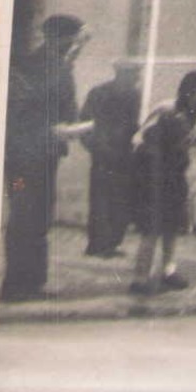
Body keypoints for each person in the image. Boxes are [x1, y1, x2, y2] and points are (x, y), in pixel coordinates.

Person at [0, 14, 92, 301]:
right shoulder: (50, 68)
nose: (77, 45)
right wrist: (68, 127)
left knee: (29, 214)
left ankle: (28, 283)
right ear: (63, 39)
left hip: (26, 156)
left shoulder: (39, 64)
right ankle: (18, 285)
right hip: (32, 157)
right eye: (75, 40)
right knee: (30, 214)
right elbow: (44, 109)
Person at [128, 70, 196, 296]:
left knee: (172, 226)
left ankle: (168, 271)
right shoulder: (166, 110)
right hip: (154, 175)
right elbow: (140, 139)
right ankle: (140, 278)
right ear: (192, 92)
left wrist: (192, 173)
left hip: (176, 175)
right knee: (151, 228)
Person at [80, 60, 142, 258]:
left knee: (121, 200)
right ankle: (97, 245)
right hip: (103, 155)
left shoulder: (135, 96)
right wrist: (94, 147)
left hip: (125, 156)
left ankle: (113, 243)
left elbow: (136, 125)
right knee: (100, 200)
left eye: (136, 75)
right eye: (132, 75)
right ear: (120, 74)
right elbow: (85, 123)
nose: (136, 79)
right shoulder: (98, 94)